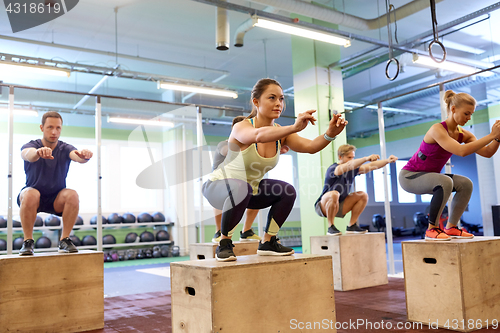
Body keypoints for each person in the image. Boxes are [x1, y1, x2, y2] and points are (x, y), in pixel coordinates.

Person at [203, 78, 347, 261]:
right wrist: (294, 127)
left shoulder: (281, 133)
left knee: (287, 191)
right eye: (272, 98)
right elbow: (258, 135)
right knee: (241, 187)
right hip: (218, 187)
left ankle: (268, 242)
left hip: (248, 190)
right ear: (256, 102)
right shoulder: (242, 127)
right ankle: (224, 243)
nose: (278, 103)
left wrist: (330, 134)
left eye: (281, 99)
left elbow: (311, 147)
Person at [399, 90, 500, 241]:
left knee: (465, 183)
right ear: (453, 109)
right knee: (445, 181)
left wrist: (497, 139)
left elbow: (487, 153)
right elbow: (461, 151)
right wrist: (491, 135)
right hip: (410, 176)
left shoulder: (464, 134)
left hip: (431, 177)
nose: (469, 118)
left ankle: (452, 227)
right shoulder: (437, 129)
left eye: (471, 114)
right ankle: (432, 229)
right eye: (466, 113)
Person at [17, 111, 93, 255]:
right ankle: (28, 241)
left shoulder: (65, 148)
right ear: (41, 128)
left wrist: (85, 156)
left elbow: (76, 156)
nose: (54, 132)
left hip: (56, 199)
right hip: (34, 198)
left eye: (58, 128)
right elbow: (27, 154)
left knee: (72, 194)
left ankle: (65, 239)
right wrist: (38, 153)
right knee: (30, 193)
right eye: (50, 127)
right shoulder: (32, 145)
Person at [211, 116, 290, 243]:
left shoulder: (254, 144)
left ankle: (246, 231)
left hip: (245, 180)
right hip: (223, 182)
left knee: (256, 190)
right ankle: (219, 231)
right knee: (225, 198)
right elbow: (231, 152)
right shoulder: (226, 144)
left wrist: (276, 150)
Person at [315, 144, 398, 235]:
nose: (351, 160)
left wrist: (387, 161)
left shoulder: (353, 170)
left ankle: (351, 226)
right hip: (323, 206)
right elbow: (348, 165)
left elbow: (372, 165)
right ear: (340, 157)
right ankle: (331, 227)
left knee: (363, 195)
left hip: (339, 205)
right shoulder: (333, 168)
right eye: (349, 157)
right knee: (334, 194)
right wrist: (366, 158)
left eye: (353, 157)